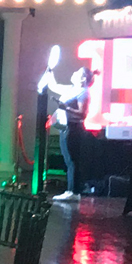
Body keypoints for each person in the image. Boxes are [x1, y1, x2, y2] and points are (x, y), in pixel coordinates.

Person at [51, 66, 94, 200]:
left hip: (74, 128)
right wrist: (50, 70)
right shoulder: (71, 89)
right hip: (65, 127)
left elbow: (83, 114)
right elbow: (54, 85)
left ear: (83, 78)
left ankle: (73, 192)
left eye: (77, 72)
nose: (73, 72)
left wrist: (66, 108)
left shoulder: (83, 93)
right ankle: (72, 191)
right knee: (68, 159)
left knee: (71, 160)